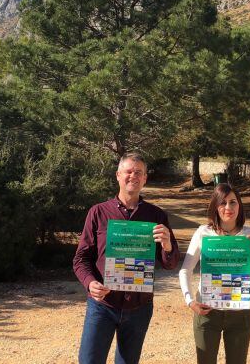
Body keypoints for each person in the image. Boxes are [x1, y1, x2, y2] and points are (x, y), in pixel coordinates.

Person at [73, 152, 180, 364]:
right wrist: (90, 282)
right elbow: (81, 258)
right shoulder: (98, 212)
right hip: (103, 305)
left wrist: (167, 245)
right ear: (118, 175)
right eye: (129, 171)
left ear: (145, 179)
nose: (133, 176)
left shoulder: (156, 216)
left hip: (139, 307)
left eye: (138, 172)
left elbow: (171, 263)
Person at [179, 183, 250, 364]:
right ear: (215, 206)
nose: (228, 208)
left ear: (240, 206)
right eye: (223, 203)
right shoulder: (203, 233)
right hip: (207, 312)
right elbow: (185, 270)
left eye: (233, 202)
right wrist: (190, 301)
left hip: (239, 314)